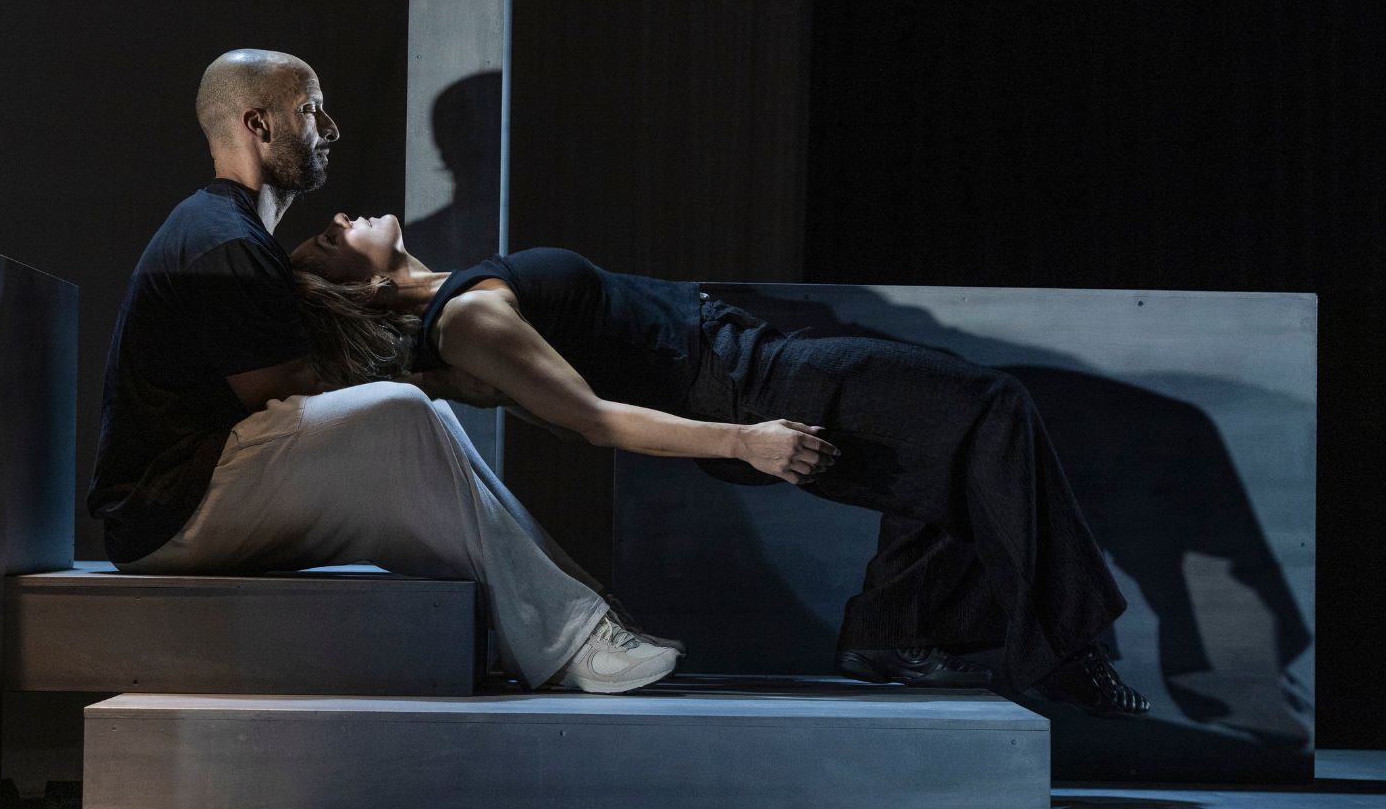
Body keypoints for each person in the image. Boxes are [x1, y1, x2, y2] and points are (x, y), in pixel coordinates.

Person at [288, 215, 1150, 717]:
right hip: (750, 386)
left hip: (745, 367)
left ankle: (894, 630)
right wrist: (743, 440)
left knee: (949, 442)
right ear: (358, 292)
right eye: (322, 245)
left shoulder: (460, 314)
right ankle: (1057, 653)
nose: (333, 224)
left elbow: (562, 409)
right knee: (992, 406)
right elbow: (592, 423)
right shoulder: (469, 321)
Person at [86, 49, 680, 694]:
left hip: (203, 492)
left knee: (418, 415)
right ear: (259, 125)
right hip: (168, 509)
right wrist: (431, 383)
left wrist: (437, 388)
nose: (330, 129)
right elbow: (283, 399)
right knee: (400, 413)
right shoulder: (221, 237)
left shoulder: (232, 233)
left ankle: (586, 614)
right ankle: (569, 642)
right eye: (311, 110)